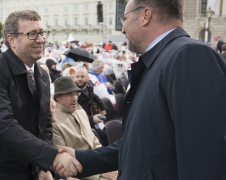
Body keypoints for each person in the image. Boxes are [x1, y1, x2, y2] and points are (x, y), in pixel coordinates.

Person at [54, 0, 226, 179]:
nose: (123, 30)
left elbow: (205, 156)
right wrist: (82, 157)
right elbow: (140, 144)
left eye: (125, 19)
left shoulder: (189, 56)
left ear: (145, 15)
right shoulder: (160, 61)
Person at [0, 10, 82, 180]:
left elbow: (45, 125)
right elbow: (3, 126)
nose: (41, 39)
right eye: (32, 34)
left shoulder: (41, 75)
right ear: (11, 40)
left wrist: (43, 166)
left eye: (41, 33)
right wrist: (50, 156)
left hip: (26, 171)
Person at [52, 76, 117, 180]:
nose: (75, 98)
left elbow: (94, 141)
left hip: (97, 165)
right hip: (82, 173)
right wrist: (99, 172)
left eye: (76, 94)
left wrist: (105, 165)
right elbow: (62, 163)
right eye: (69, 95)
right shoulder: (54, 121)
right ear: (57, 97)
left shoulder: (80, 111)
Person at [75, 68, 108, 146]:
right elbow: (74, 114)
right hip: (81, 125)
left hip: (91, 119)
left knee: (109, 131)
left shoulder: (89, 86)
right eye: (77, 76)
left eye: (82, 76)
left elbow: (93, 96)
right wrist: (92, 119)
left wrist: (103, 107)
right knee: (104, 136)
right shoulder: (73, 92)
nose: (79, 79)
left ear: (88, 78)